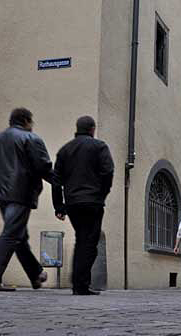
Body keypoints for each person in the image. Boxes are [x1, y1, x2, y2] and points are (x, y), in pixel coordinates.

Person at [0, 108, 54, 291]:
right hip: (21, 194)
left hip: (1, 196)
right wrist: (62, 182)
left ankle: (35, 274)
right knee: (12, 234)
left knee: (19, 235)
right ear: (27, 121)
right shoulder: (31, 139)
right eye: (32, 122)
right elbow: (42, 166)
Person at [52, 116, 114, 296]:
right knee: (89, 243)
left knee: (82, 240)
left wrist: (59, 206)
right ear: (92, 129)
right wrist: (102, 194)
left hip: (73, 203)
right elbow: (108, 171)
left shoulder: (65, 150)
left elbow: (56, 181)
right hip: (93, 201)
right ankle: (80, 284)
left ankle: (79, 282)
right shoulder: (99, 147)